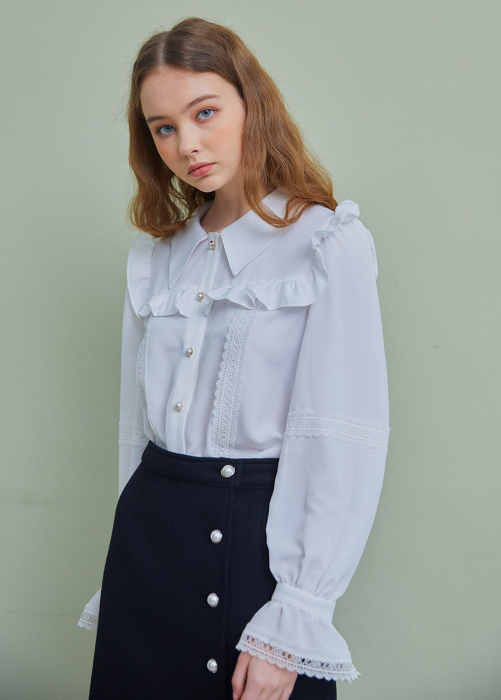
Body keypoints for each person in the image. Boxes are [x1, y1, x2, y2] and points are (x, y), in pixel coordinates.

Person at [77, 15, 390, 700]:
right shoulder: (157, 255)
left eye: (205, 111)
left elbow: (341, 439)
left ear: (252, 101)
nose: (187, 143)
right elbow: (138, 432)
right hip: (146, 543)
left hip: (253, 548)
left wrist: (298, 613)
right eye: (163, 127)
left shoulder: (325, 243)